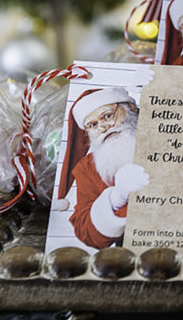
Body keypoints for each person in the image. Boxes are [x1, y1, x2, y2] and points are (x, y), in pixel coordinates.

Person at [64, 88, 149, 249]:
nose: (103, 127)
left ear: (131, 108)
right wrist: (115, 199)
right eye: (93, 125)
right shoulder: (87, 167)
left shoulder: (168, 133)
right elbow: (85, 231)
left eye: (108, 115)